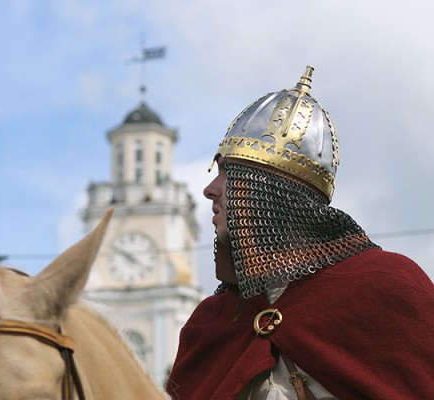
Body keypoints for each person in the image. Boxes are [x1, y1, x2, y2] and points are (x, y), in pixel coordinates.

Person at [166, 67, 434, 400]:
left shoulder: (387, 285)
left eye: (227, 172)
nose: (210, 190)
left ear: (270, 191)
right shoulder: (210, 325)